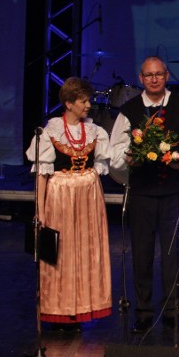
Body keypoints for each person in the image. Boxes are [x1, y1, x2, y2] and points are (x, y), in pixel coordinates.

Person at [109, 56, 179, 333]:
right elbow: (116, 151)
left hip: (173, 192)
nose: (153, 79)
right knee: (142, 253)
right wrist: (130, 159)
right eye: (148, 75)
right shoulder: (129, 110)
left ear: (166, 76)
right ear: (141, 78)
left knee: (173, 254)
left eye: (158, 74)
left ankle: (173, 312)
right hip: (142, 193)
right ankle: (143, 311)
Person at [26, 77, 112, 329]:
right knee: (61, 253)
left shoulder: (96, 132)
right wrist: (40, 212)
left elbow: (102, 166)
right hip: (60, 196)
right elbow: (42, 175)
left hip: (87, 197)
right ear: (69, 103)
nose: (88, 105)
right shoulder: (51, 131)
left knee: (86, 251)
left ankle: (83, 307)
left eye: (88, 100)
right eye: (83, 101)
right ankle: (59, 310)